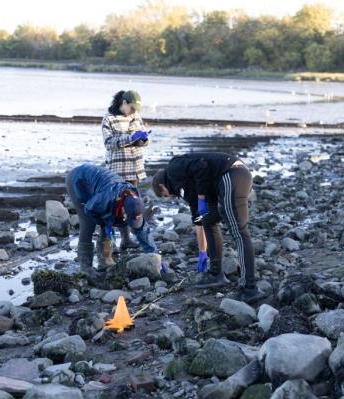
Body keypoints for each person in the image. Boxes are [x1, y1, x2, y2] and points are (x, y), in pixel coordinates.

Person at [152, 152, 266, 303]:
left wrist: (201, 197)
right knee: (208, 220)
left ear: (162, 186)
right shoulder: (185, 187)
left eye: (165, 195)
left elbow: (201, 166)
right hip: (224, 181)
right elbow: (198, 219)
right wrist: (202, 252)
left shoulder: (174, 167)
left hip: (233, 173)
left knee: (239, 232)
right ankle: (215, 273)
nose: (170, 197)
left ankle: (249, 288)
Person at [66, 164, 156, 273]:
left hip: (101, 186)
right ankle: (85, 268)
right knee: (88, 224)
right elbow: (89, 208)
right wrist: (103, 222)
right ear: (123, 209)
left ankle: (105, 261)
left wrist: (154, 254)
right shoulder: (106, 199)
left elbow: (142, 229)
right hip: (79, 181)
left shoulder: (135, 201)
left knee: (109, 220)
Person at [102, 90, 152, 250]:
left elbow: (145, 141)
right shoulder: (108, 118)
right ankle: (115, 241)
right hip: (117, 169)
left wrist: (143, 138)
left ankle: (128, 239)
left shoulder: (135, 116)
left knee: (133, 205)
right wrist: (130, 138)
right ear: (123, 103)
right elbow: (109, 143)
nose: (133, 111)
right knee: (116, 205)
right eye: (131, 107)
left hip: (135, 167)